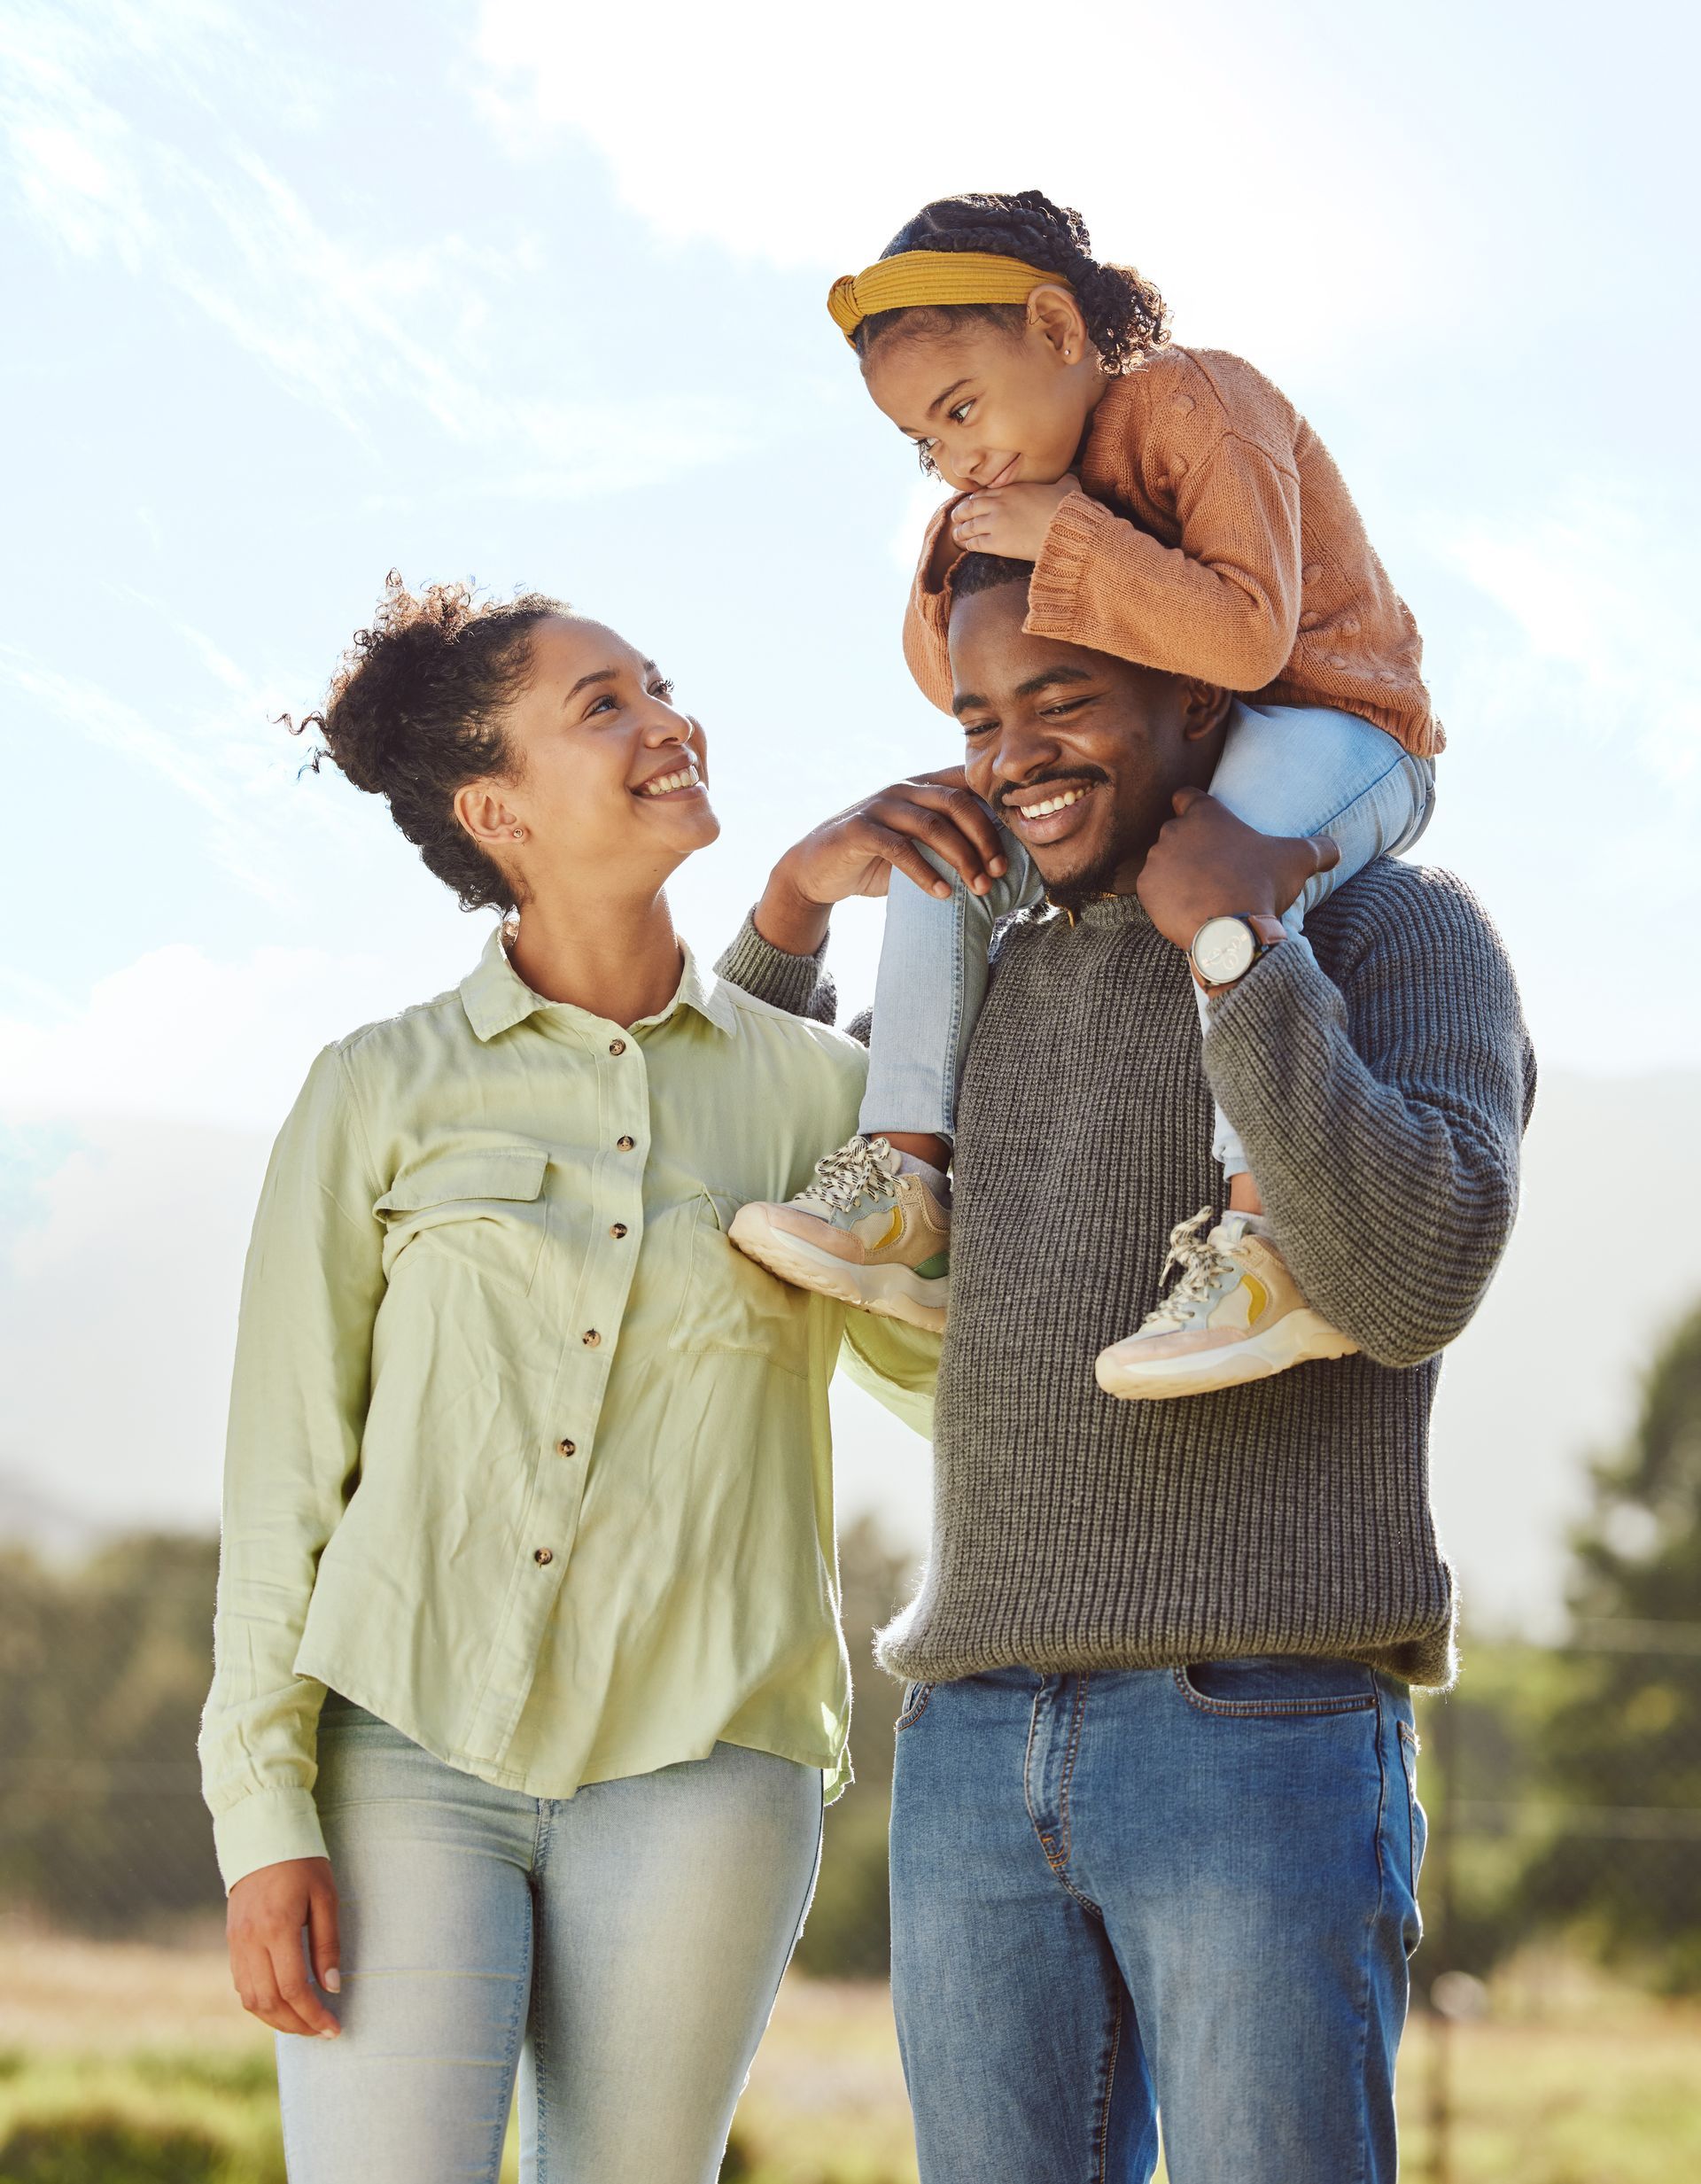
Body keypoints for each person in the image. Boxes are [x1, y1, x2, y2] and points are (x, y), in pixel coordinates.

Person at [715, 550, 1536, 2183]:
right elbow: (721, 1143)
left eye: (1064, 699)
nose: (1015, 751)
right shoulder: (980, 981)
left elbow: (1420, 1272)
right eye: (980, 716)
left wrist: (1236, 949)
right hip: (968, 1738)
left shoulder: (1401, 931)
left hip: (1256, 1726)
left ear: (1199, 693)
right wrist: (789, 911)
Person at [198, 576, 919, 2184]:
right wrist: (265, 1817)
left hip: (709, 1768)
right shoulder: (379, 1089)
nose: (667, 720)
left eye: (659, 682)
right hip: (402, 1755)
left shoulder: (826, 1097)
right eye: (604, 704)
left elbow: (946, 1391)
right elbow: (282, 1479)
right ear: (495, 807)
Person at [731, 190, 1441, 1400]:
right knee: (944, 829)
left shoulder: (1196, 403)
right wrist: (960, 547)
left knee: (1234, 841)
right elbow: (947, 672)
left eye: (960, 409)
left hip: (1337, 725)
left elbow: (1249, 637)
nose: (954, 456)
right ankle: (908, 1178)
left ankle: (1267, 1242)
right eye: (923, 444)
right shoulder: (1028, 480)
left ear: (1058, 331)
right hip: (1184, 753)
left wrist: (1066, 534)